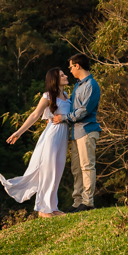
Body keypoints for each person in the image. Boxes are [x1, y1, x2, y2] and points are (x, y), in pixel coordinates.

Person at [0, 68, 71, 217]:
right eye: (62, 75)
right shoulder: (47, 96)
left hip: (63, 137)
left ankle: (53, 207)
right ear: (55, 79)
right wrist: (18, 133)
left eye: (65, 74)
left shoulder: (66, 96)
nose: (66, 76)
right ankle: (43, 209)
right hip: (52, 136)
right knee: (48, 171)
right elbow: (34, 115)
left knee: (57, 172)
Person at [51, 53, 100, 212]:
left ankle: (88, 202)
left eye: (70, 67)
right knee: (76, 169)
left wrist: (63, 118)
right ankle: (77, 202)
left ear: (77, 66)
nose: (70, 70)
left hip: (86, 130)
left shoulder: (91, 85)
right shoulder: (78, 85)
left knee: (87, 167)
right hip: (76, 133)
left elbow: (83, 111)